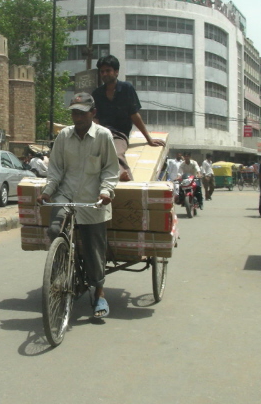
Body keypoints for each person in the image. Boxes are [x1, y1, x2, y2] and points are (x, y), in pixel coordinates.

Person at [37, 92, 119, 319]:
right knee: (55, 230)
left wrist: (106, 192)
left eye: (82, 113)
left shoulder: (103, 136)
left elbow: (111, 170)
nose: (78, 117)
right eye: (74, 112)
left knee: (94, 249)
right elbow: (55, 170)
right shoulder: (63, 136)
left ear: (93, 113)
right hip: (66, 195)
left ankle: (99, 293)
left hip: (93, 199)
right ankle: (61, 273)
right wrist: (47, 192)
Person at [92, 55, 165, 181]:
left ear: (116, 72)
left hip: (118, 134)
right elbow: (95, 118)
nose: (104, 74)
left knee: (115, 152)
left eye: (108, 70)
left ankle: (125, 176)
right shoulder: (97, 94)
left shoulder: (126, 89)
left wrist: (149, 139)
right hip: (100, 133)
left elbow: (134, 115)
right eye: (102, 71)